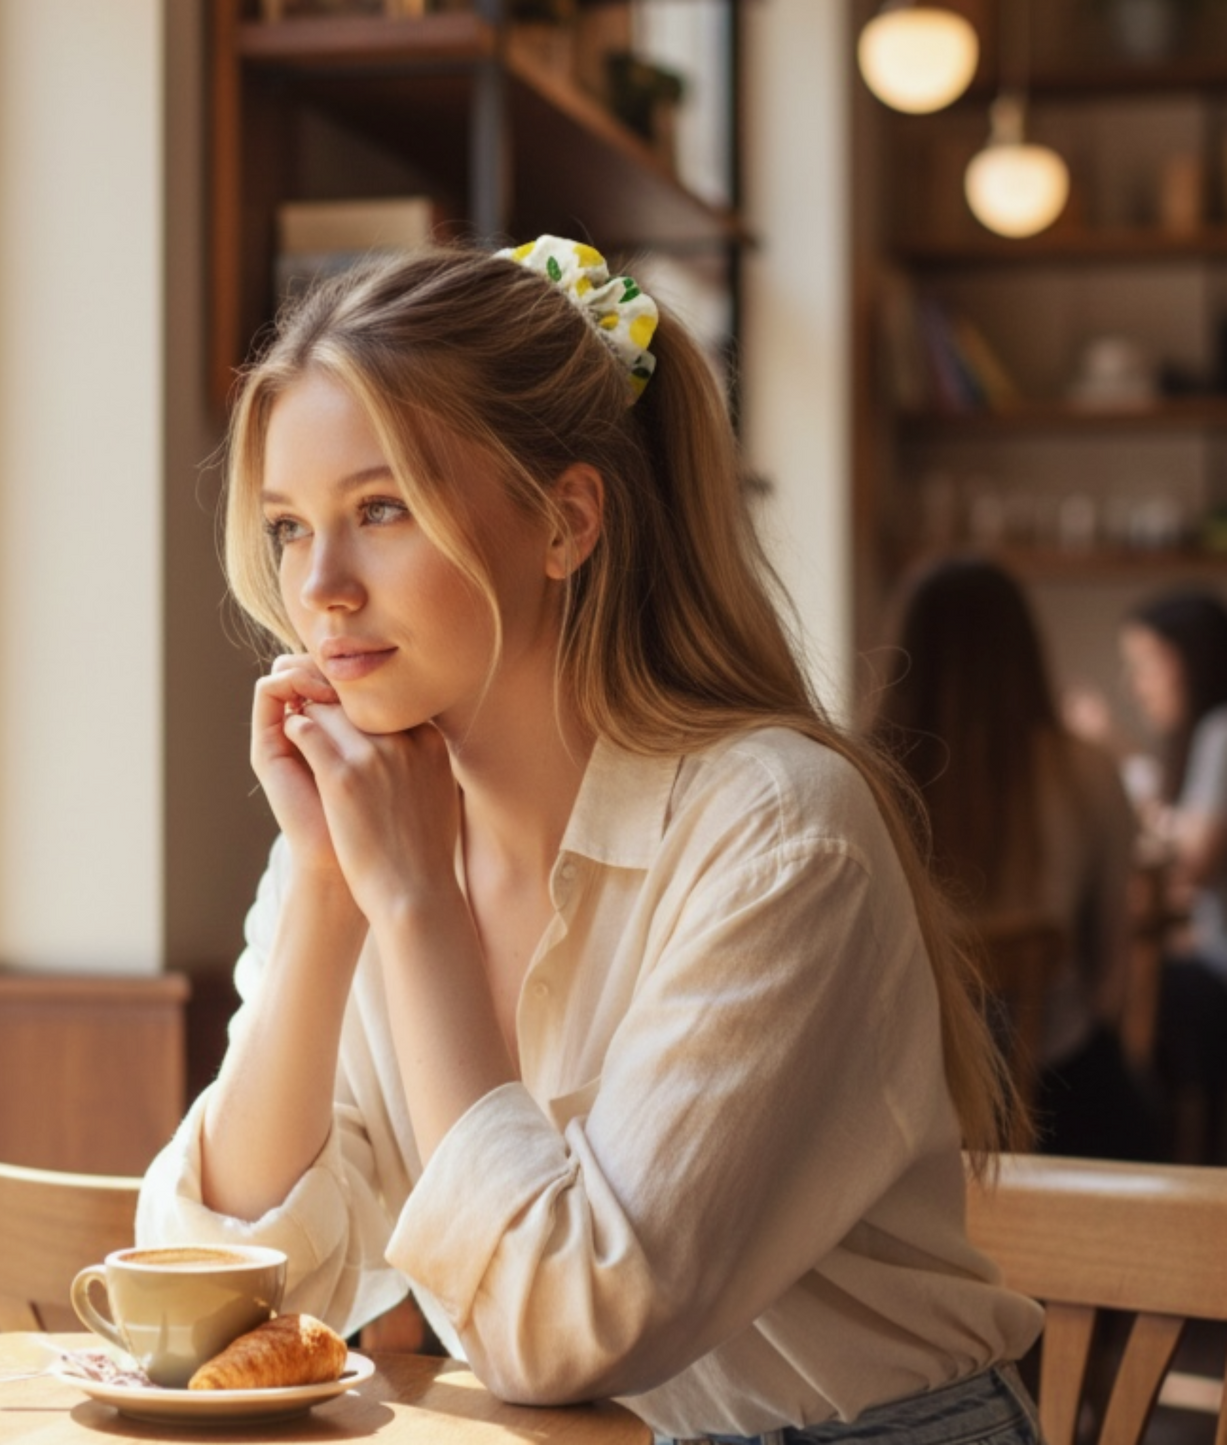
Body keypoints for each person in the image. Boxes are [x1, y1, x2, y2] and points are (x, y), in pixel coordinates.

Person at [137, 237, 1043, 1444]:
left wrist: (414, 908)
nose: (321, 588)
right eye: (289, 527)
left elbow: (562, 1331)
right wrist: (322, 886)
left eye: (380, 508)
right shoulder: (370, 833)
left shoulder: (777, 835)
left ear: (564, 521)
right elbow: (214, 1297)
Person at [868, 556, 1160, 1162]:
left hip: (896, 1111)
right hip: (1059, 1105)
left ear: (903, 649)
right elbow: (1109, 975)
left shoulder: (864, 775)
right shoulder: (1087, 771)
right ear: (1024, 648)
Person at [1116, 589, 1227, 1162]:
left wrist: (1114, 762)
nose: (1138, 686)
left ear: (1187, 660)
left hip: (1219, 973)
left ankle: (1173, 1167)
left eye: (1145, 665)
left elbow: (1194, 858)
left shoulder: (1221, 732)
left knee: (1128, 1000)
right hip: (1210, 958)